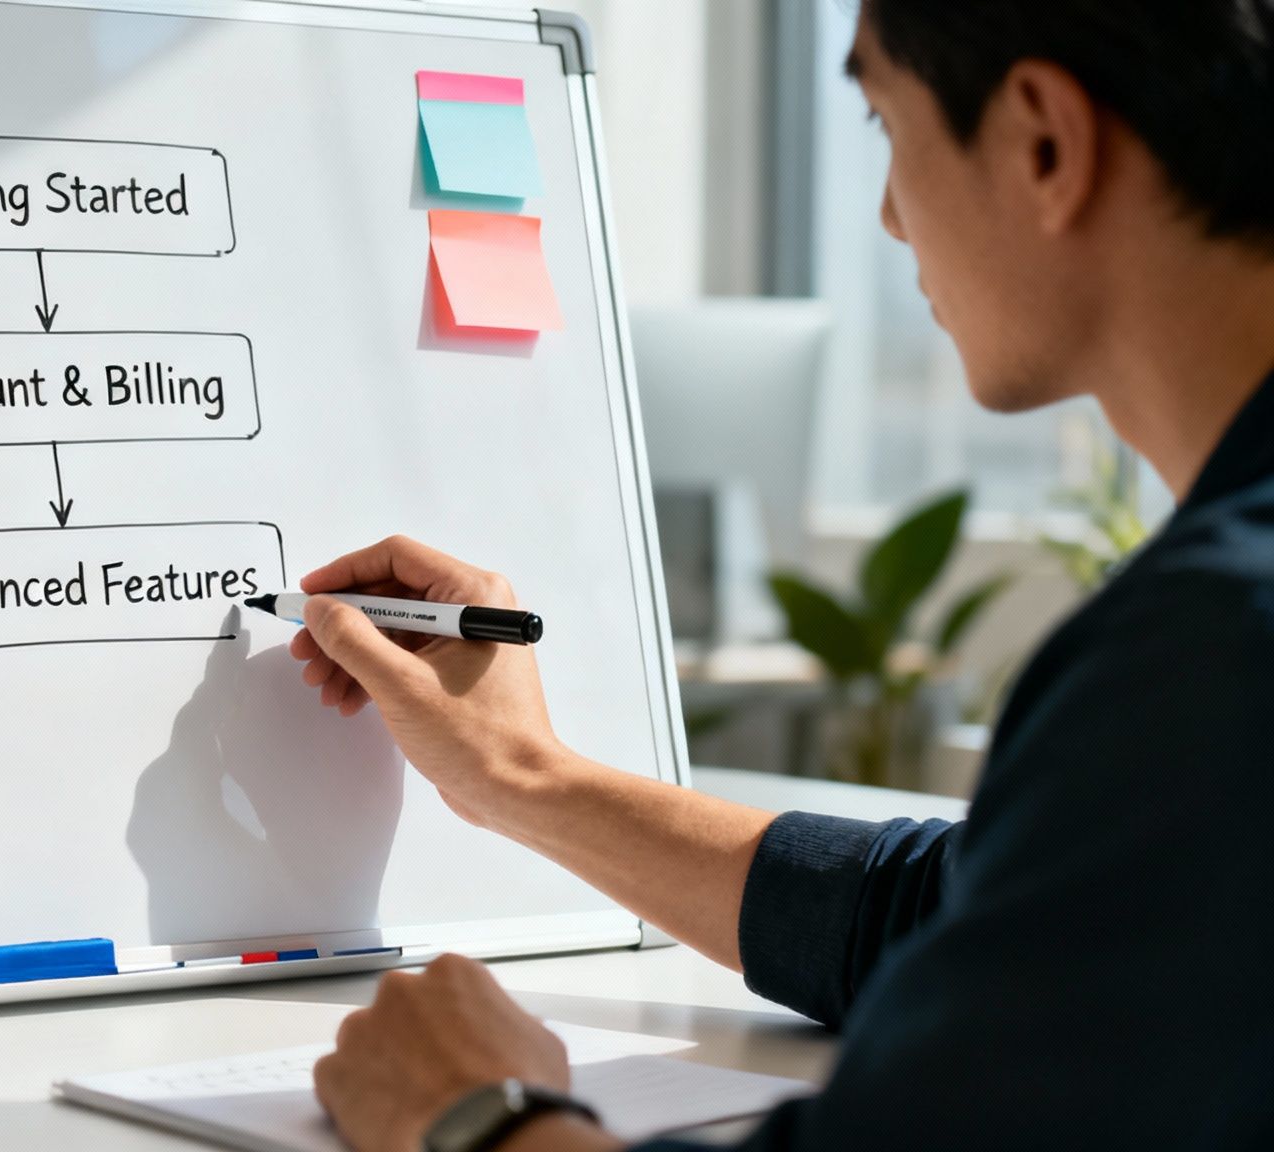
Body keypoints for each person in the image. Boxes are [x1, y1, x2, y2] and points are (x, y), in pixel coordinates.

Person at [294, 2, 1274, 1149]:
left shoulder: (1219, 649)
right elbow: (962, 912)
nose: (888, 218)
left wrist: (474, 1114)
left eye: (880, 123)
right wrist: (519, 774)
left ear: (1041, 144)